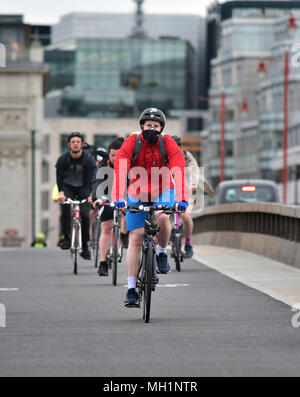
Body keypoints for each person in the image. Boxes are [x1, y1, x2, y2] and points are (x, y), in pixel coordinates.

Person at [112, 108, 189, 308]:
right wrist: (118, 197)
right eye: (148, 126)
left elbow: (178, 168)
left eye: (156, 126)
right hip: (136, 191)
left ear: (162, 128)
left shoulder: (167, 142)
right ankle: (130, 289)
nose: (152, 129)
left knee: (163, 218)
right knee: (136, 237)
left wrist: (182, 199)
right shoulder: (132, 141)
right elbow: (121, 167)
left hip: (163, 189)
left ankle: (162, 252)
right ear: (141, 127)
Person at [171, 136, 215, 258]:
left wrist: (193, 185)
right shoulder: (163, 156)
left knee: (186, 217)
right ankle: (160, 249)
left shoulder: (186, 157)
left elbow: (195, 171)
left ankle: (188, 243)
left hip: (184, 191)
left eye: (177, 146)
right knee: (160, 218)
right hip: (167, 192)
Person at [55, 132, 96, 260]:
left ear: (82, 144)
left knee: (85, 215)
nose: (75, 144)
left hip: (84, 187)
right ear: (68, 144)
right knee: (65, 208)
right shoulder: (63, 159)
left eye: (78, 142)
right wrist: (61, 192)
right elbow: (59, 178)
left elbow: (92, 178)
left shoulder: (88, 159)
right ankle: (66, 238)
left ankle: (85, 247)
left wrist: (90, 194)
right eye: (73, 142)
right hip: (68, 187)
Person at [92, 137, 127, 276]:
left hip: (123, 194)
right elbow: (96, 182)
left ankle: (124, 234)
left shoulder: (128, 164)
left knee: (129, 211)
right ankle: (103, 262)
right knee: (106, 227)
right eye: (113, 155)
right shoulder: (103, 164)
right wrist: (97, 198)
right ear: (109, 154)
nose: (115, 158)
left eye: (118, 155)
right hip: (106, 195)